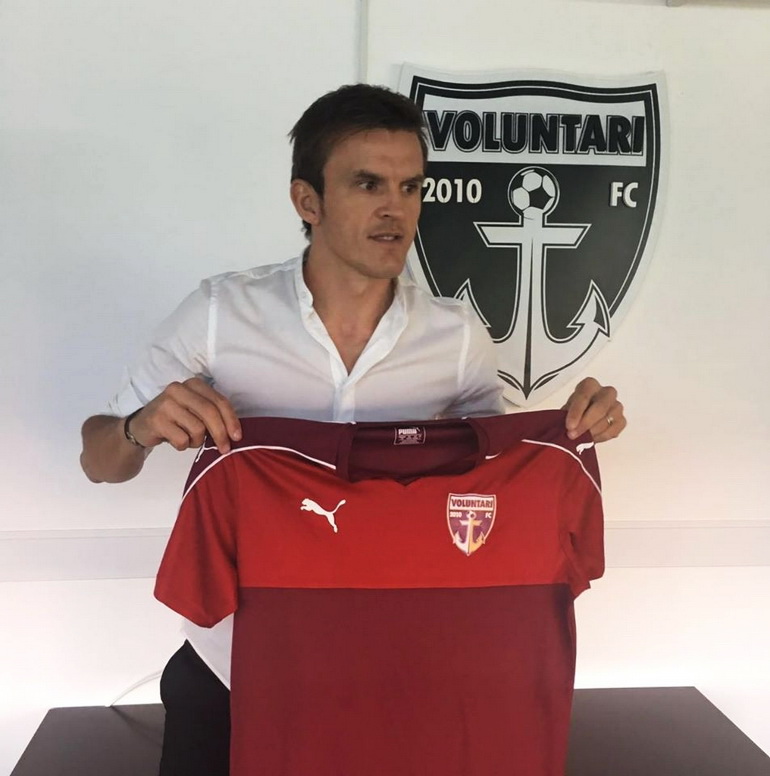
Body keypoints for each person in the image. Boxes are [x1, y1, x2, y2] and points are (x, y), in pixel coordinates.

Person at [80, 83, 626, 775]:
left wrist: (571, 430)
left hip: (388, 670)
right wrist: (140, 426)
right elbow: (98, 460)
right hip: (229, 667)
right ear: (307, 201)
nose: (395, 209)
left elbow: (492, 489)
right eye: (368, 184)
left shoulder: (455, 335)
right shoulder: (219, 313)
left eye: (411, 187)